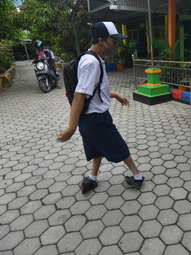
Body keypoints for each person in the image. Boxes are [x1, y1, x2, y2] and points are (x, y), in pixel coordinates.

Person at [56, 21, 144, 193]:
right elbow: (79, 96)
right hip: (95, 119)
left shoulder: (94, 59)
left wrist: (115, 95)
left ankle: (92, 178)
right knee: (119, 147)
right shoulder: (92, 63)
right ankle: (137, 176)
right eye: (114, 41)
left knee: (96, 148)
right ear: (101, 40)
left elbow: (93, 90)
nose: (116, 46)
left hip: (90, 119)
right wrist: (71, 128)